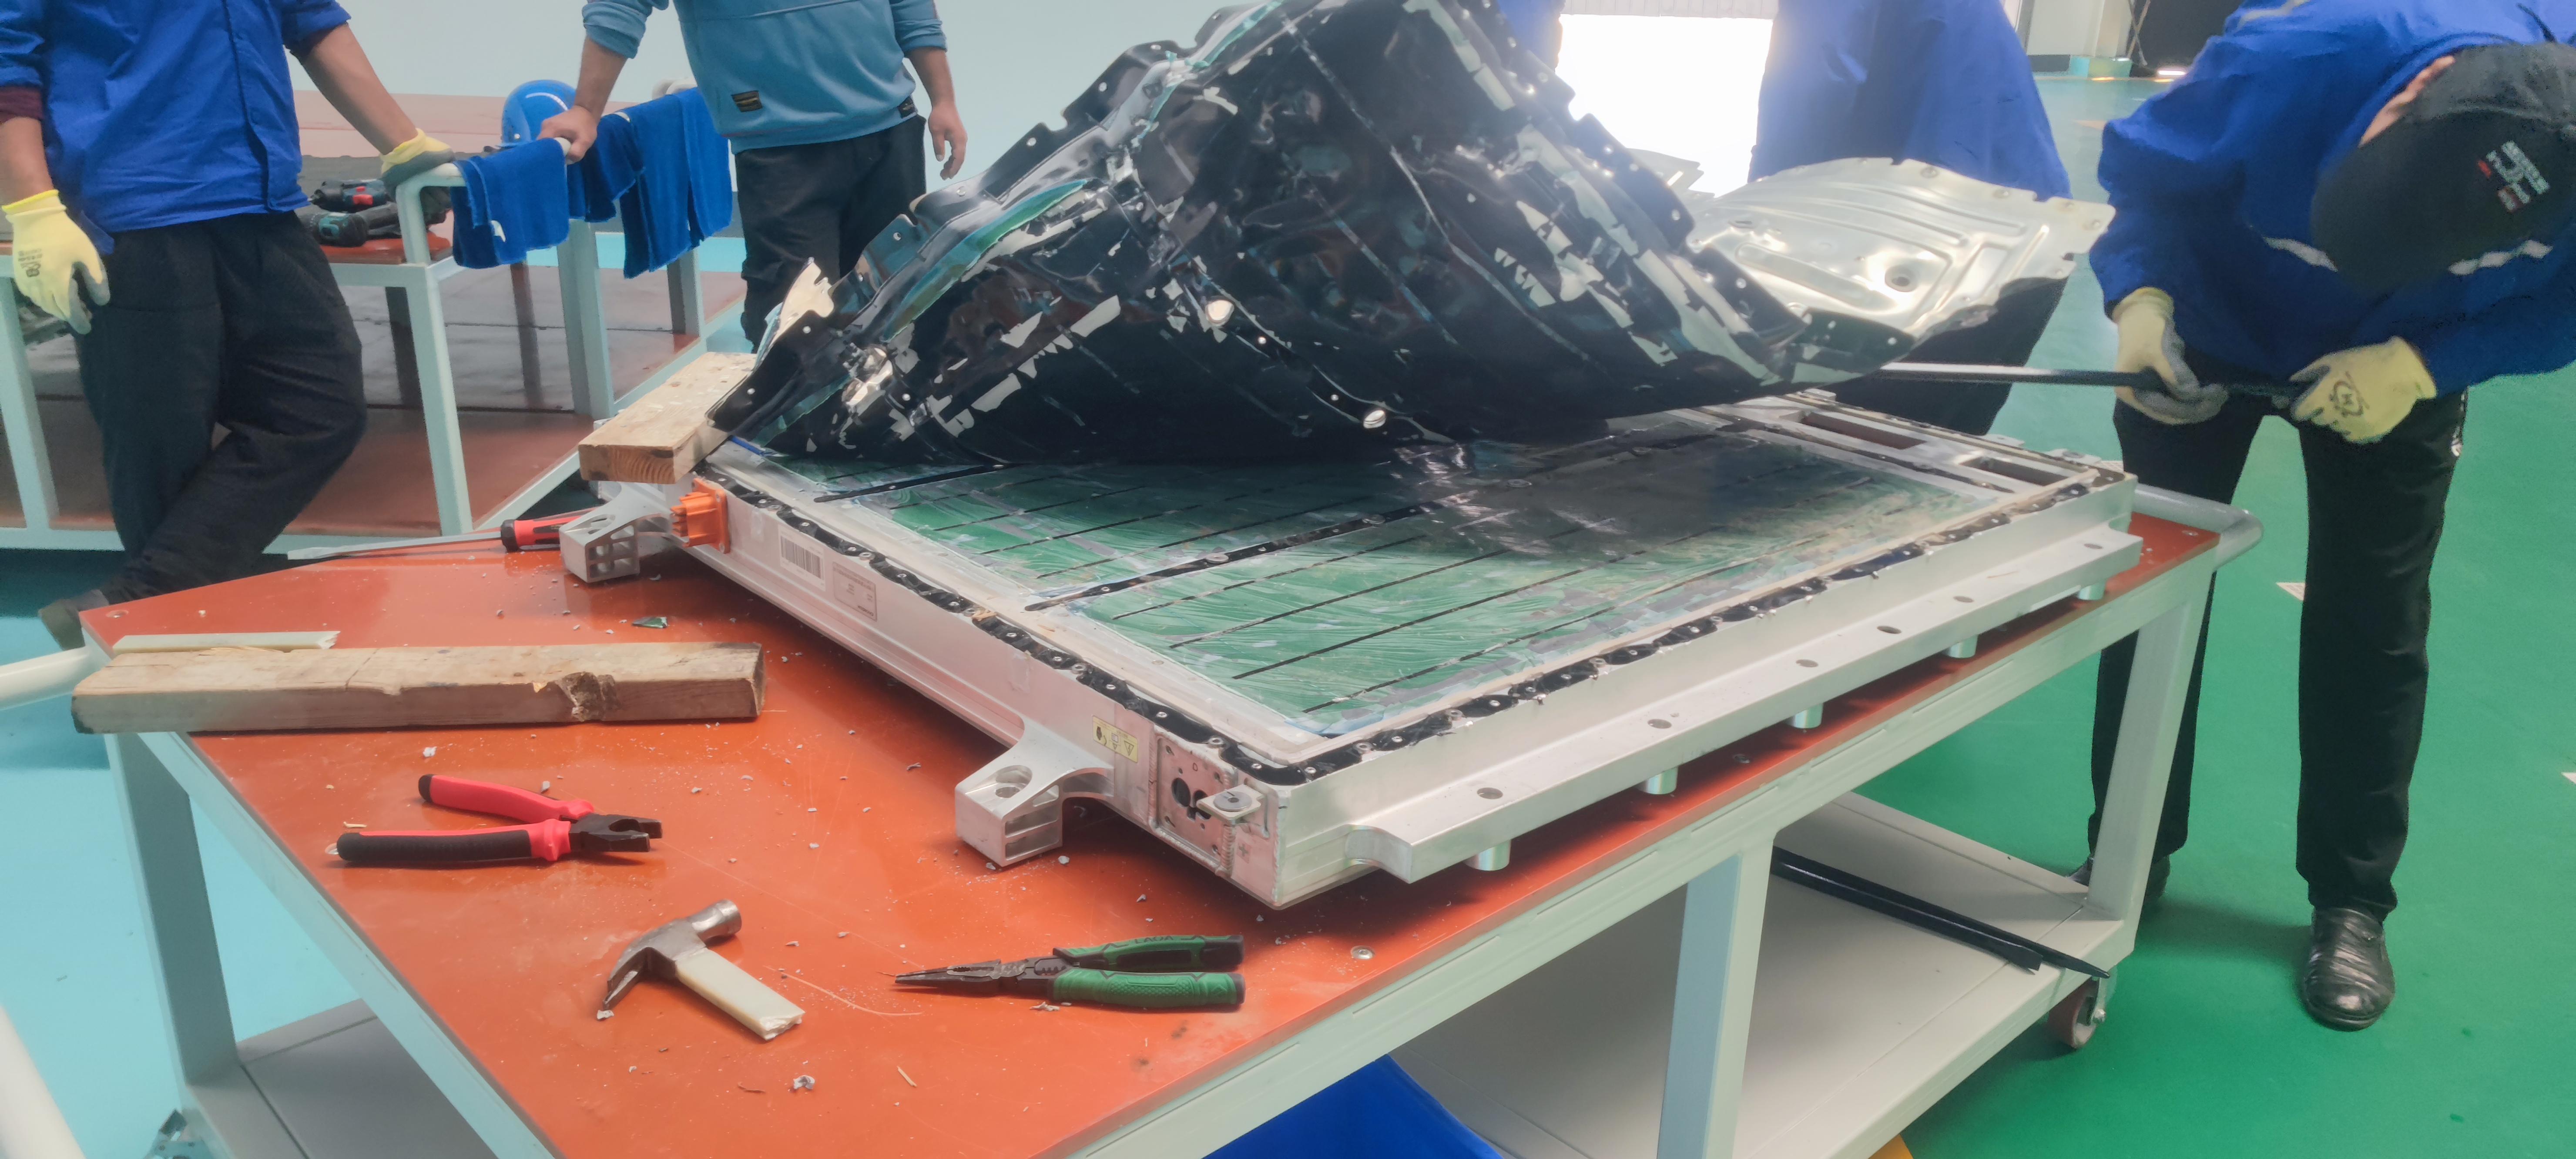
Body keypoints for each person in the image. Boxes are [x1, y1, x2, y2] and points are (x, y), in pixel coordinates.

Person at [2083, 0, 2576, 1031]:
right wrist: (2139, 300)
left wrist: (2426, 365)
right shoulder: (2290, 57)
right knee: (2152, 593)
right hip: (2207, 325)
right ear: (2399, 104)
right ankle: (2126, 846)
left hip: (2406, 357)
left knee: (2373, 615)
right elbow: (2147, 179)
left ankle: (2350, 900)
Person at [6, 0, 452, 648]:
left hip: (258, 196)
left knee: (318, 405)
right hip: (134, 207)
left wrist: (405, 145)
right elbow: (8, 61)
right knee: (160, 443)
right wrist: (32, 207)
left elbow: (311, 20)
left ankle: (144, 601)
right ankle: (168, 659)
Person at [539, 0, 967, 345]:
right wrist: (586, 110)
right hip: (781, 151)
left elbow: (911, 9)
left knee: (895, 303)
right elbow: (619, 8)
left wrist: (943, 100)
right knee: (793, 321)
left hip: (890, 132)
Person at [1751, 0, 2073, 435]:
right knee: (1936, 449)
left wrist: (1763, 214)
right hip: (2038, 232)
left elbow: (1816, 79)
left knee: (1850, 453)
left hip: (1929, 248)